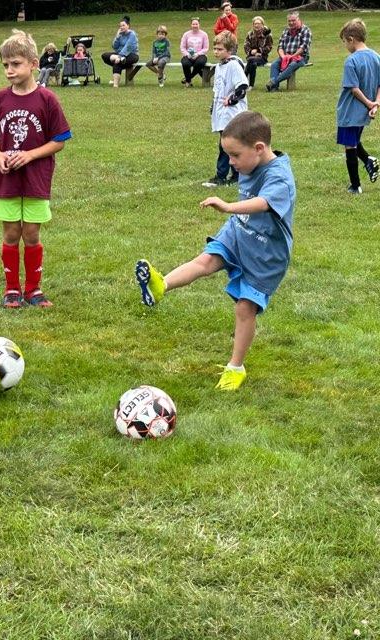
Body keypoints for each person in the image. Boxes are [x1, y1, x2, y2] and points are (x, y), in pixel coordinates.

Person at [135, 111, 295, 392]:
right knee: (206, 260)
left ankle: (236, 367)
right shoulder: (249, 163)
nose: (231, 163)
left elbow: (263, 203)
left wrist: (229, 206)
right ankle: (161, 285)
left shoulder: (280, 176)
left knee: (245, 308)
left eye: (235, 155)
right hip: (238, 232)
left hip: (266, 254)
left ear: (259, 149)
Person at [0, 29, 71, 308]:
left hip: (36, 180)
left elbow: (59, 141)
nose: (9, 70)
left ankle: (33, 289)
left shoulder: (47, 100)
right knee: (10, 234)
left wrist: (30, 155)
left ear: (33, 63)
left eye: (16, 64)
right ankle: (11, 289)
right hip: (7, 181)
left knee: (31, 234)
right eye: (5, 65)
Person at [337, 18, 380, 194]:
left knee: (350, 146)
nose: (345, 46)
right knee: (353, 140)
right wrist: (376, 103)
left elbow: (354, 89)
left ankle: (355, 186)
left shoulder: (351, 61)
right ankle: (369, 160)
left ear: (351, 39)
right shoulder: (377, 57)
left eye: (344, 42)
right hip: (364, 112)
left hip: (349, 111)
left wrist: (371, 103)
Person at [202, 31, 248, 188]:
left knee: (228, 144)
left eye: (220, 49)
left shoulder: (234, 65)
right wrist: (213, 106)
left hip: (232, 113)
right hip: (222, 112)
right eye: (215, 48)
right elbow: (218, 89)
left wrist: (232, 99)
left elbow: (242, 86)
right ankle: (231, 174)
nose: (216, 51)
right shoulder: (220, 66)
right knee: (225, 143)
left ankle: (228, 175)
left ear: (229, 49)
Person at [266, 12, 312, 92]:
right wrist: (283, 56)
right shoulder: (286, 31)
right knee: (274, 64)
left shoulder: (306, 30)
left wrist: (292, 56)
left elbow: (303, 47)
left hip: (301, 57)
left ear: (298, 19)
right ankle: (274, 88)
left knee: (292, 65)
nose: (291, 23)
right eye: (289, 21)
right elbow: (280, 46)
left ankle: (273, 82)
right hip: (285, 56)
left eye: (293, 20)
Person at [101, 16, 139, 88]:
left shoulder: (132, 34)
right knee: (104, 55)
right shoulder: (121, 35)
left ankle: (115, 84)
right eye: (120, 26)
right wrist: (117, 36)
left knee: (117, 62)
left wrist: (120, 56)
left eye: (123, 25)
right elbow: (115, 47)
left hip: (132, 55)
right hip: (121, 55)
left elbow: (128, 47)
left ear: (128, 26)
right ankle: (120, 59)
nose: (121, 27)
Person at [244, 16, 273, 89]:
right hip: (251, 56)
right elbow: (246, 46)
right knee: (252, 63)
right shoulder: (250, 34)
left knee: (251, 61)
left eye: (259, 23)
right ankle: (250, 85)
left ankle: (244, 81)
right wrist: (251, 52)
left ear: (262, 24)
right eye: (255, 23)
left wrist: (259, 51)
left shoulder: (267, 35)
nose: (257, 25)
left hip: (262, 57)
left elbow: (269, 47)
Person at [180, 17, 209, 88]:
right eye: (193, 24)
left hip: (200, 55)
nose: (195, 26)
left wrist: (197, 54)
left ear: (199, 24)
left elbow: (206, 48)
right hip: (188, 55)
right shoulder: (186, 34)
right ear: (191, 25)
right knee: (185, 63)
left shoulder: (204, 34)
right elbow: (182, 47)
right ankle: (189, 81)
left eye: (196, 24)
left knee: (200, 63)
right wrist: (187, 54)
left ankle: (188, 79)